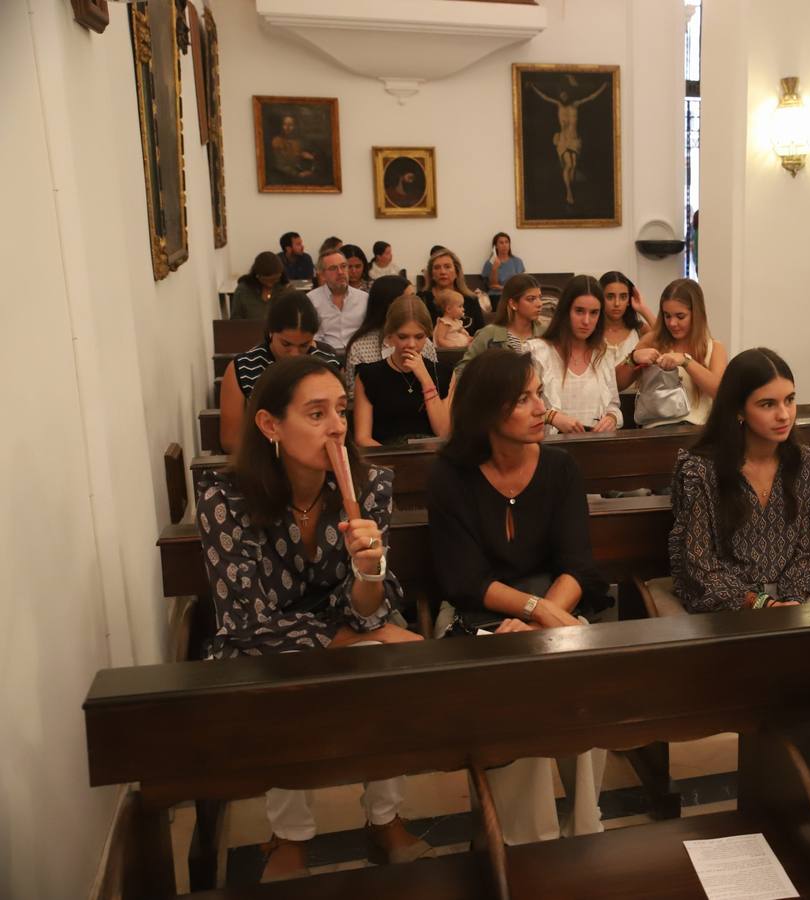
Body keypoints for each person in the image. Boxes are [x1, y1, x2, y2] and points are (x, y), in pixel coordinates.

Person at [195, 355, 428, 881]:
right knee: (287, 681)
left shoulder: (369, 488)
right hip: (260, 647)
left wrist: (369, 574)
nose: (338, 426)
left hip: (345, 626)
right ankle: (290, 834)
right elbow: (244, 619)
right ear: (270, 424)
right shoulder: (226, 498)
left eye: (341, 411)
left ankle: (384, 817)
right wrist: (355, 631)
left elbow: (369, 604)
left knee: (395, 665)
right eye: (317, 413)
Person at [426, 349, 609, 844]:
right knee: (517, 684)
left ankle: (587, 829)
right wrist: (539, 612)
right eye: (523, 399)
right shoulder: (450, 477)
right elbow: (465, 580)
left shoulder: (560, 468)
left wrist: (541, 619)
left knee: (581, 666)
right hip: (475, 617)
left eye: (539, 395)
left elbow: (578, 565)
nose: (539, 409)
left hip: (553, 610)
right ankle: (529, 846)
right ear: (487, 411)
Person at [667, 348, 810, 612]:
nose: (784, 415)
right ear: (739, 409)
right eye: (768, 404)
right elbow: (699, 565)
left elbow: (809, 552)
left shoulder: (805, 463)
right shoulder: (701, 470)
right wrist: (761, 604)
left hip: (793, 600)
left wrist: (791, 601)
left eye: (790, 400)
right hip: (727, 607)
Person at [219, 291, 340, 453]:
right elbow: (230, 441)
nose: (295, 354)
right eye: (286, 344)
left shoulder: (327, 365)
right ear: (271, 332)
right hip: (261, 457)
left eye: (304, 345)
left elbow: (339, 425)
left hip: (318, 454)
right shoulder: (242, 368)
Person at [620, 278, 727, 428]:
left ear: (696, 314)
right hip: (654, 433)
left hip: (695, 434)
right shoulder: (653, 340)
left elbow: (720, 392)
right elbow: (617, 384)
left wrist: (686, 361)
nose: (672, 323)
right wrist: (633, 358)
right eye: (667, 316)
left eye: (680, 316)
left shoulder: (714, 348)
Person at [527, 275, 622, 433]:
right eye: (579, 311)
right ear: (565, 311)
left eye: (594, 313)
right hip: (548, 449)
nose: (586, 321)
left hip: (594, 447)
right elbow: (518, 408)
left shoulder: (603, 354)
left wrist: (611, 418)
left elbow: (613, 405)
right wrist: (552, 417)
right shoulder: (538, 352)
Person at [353, 297, 451, 447]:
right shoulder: (368, 375)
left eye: (419, 337)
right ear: (390, 336)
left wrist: (425, 378)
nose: (411, 344)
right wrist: (394, 461)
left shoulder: (444, 373)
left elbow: (443, 432)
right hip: (386, 458)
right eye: (403, 337)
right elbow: (362, 438)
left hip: (431, 457)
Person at [342, 275, 435, 393]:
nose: (413, 304)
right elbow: (353, 393)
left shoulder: (424, 342)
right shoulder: (360, 346)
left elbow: (436, 382)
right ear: (389, 305)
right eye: (407, 300)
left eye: (414, 298)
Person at [528, 80, 608, 206]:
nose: (563, 96)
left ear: (569, 95)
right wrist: (533, 87)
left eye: (565, 94)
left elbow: (591, 97)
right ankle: (569, 193)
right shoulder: (559, 105)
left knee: (574, 165)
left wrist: (603, 86)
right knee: (569, 165)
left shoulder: (575, 105)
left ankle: (571, 190)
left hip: (575, 139)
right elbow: (544, 97)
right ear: (560, 96)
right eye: (561, 94)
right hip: (564, 139)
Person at [455, 274, 546, 377]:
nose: (539, 304)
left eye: (540, 297)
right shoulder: (489, 335)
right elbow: (462, 370)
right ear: (513, 304)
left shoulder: (547, 333)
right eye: (531, 299)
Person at [599, 270, 654, 389]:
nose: (617, 303)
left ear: (629, 300)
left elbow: (666, 340)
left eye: (623, 297)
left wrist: (643, 309)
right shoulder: (590, 331)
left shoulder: (639, 330)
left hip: (635, 401)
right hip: (599, 403)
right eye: (610, 296)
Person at [310, 248, 369, 349]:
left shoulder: (364, 298)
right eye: (333, 268)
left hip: (358, 354)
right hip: (325, 355)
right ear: (323, 274)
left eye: (344, 266)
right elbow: (310, 337)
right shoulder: (311, 300)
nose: (340, 272)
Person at [420, 247, 486, 336]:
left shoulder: (471, 299)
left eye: (447, 267)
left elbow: (481, 334)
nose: (442, 272)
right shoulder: (422, 299)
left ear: (456, 272)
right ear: (432, 274)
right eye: (437, 267)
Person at [231, 251, 284, 321]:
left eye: (274, 279)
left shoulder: (285, 289)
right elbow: (235, 320)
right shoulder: (243, 291)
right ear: (257, 276)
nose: (270, 284)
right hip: (250, 331)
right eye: (266, 280)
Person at [481, 232, 526, 308]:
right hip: (497, 296)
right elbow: (492, 285)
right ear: (496, 246)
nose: (504, 245)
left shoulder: (517, 261)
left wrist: (502, 287)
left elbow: (521, 282)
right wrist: (494, 269)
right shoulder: (490, 263)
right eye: (501, 243)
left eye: (506, 242)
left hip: (514, 294)